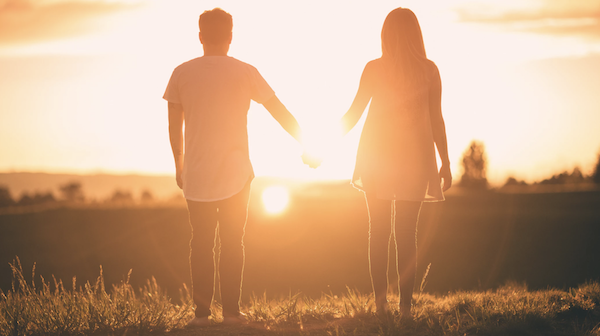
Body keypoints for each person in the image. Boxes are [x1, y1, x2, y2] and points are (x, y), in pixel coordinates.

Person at [163, 8, 304, 327]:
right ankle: (231, 313)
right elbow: (277, 109)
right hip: (237, 174)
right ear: (230, 37)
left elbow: (174, 127)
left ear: (200, 37)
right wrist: (306, 143)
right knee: (232, 242)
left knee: (200, 242)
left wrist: (179, 165)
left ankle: (201, 316)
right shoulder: (245, 71)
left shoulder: (181, 73)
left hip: (196, 174)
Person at [339, 8, 452, 317]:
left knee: (378, 231)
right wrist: (445, 161)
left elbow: (353, 113)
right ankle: (404, 309)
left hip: (376, 157)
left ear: (385, 34)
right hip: (414, 159)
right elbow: (436, 120)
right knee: (406, 234)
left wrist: (321, 145)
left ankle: (380, 305)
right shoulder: (429, 70)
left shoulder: (374, 68)